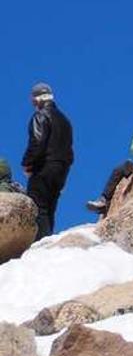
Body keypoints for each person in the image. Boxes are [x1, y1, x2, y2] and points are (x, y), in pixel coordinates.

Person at [20, 82, 74, 239]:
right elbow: (70, 151)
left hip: (43, 167)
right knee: (51, 208)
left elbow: (37, 142)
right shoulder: (65, 120)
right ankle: (48, 241)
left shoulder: (40, 115)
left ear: (37, 99)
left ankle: (40, 244)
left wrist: (27, 164)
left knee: (38, 208)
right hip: (61, 169)